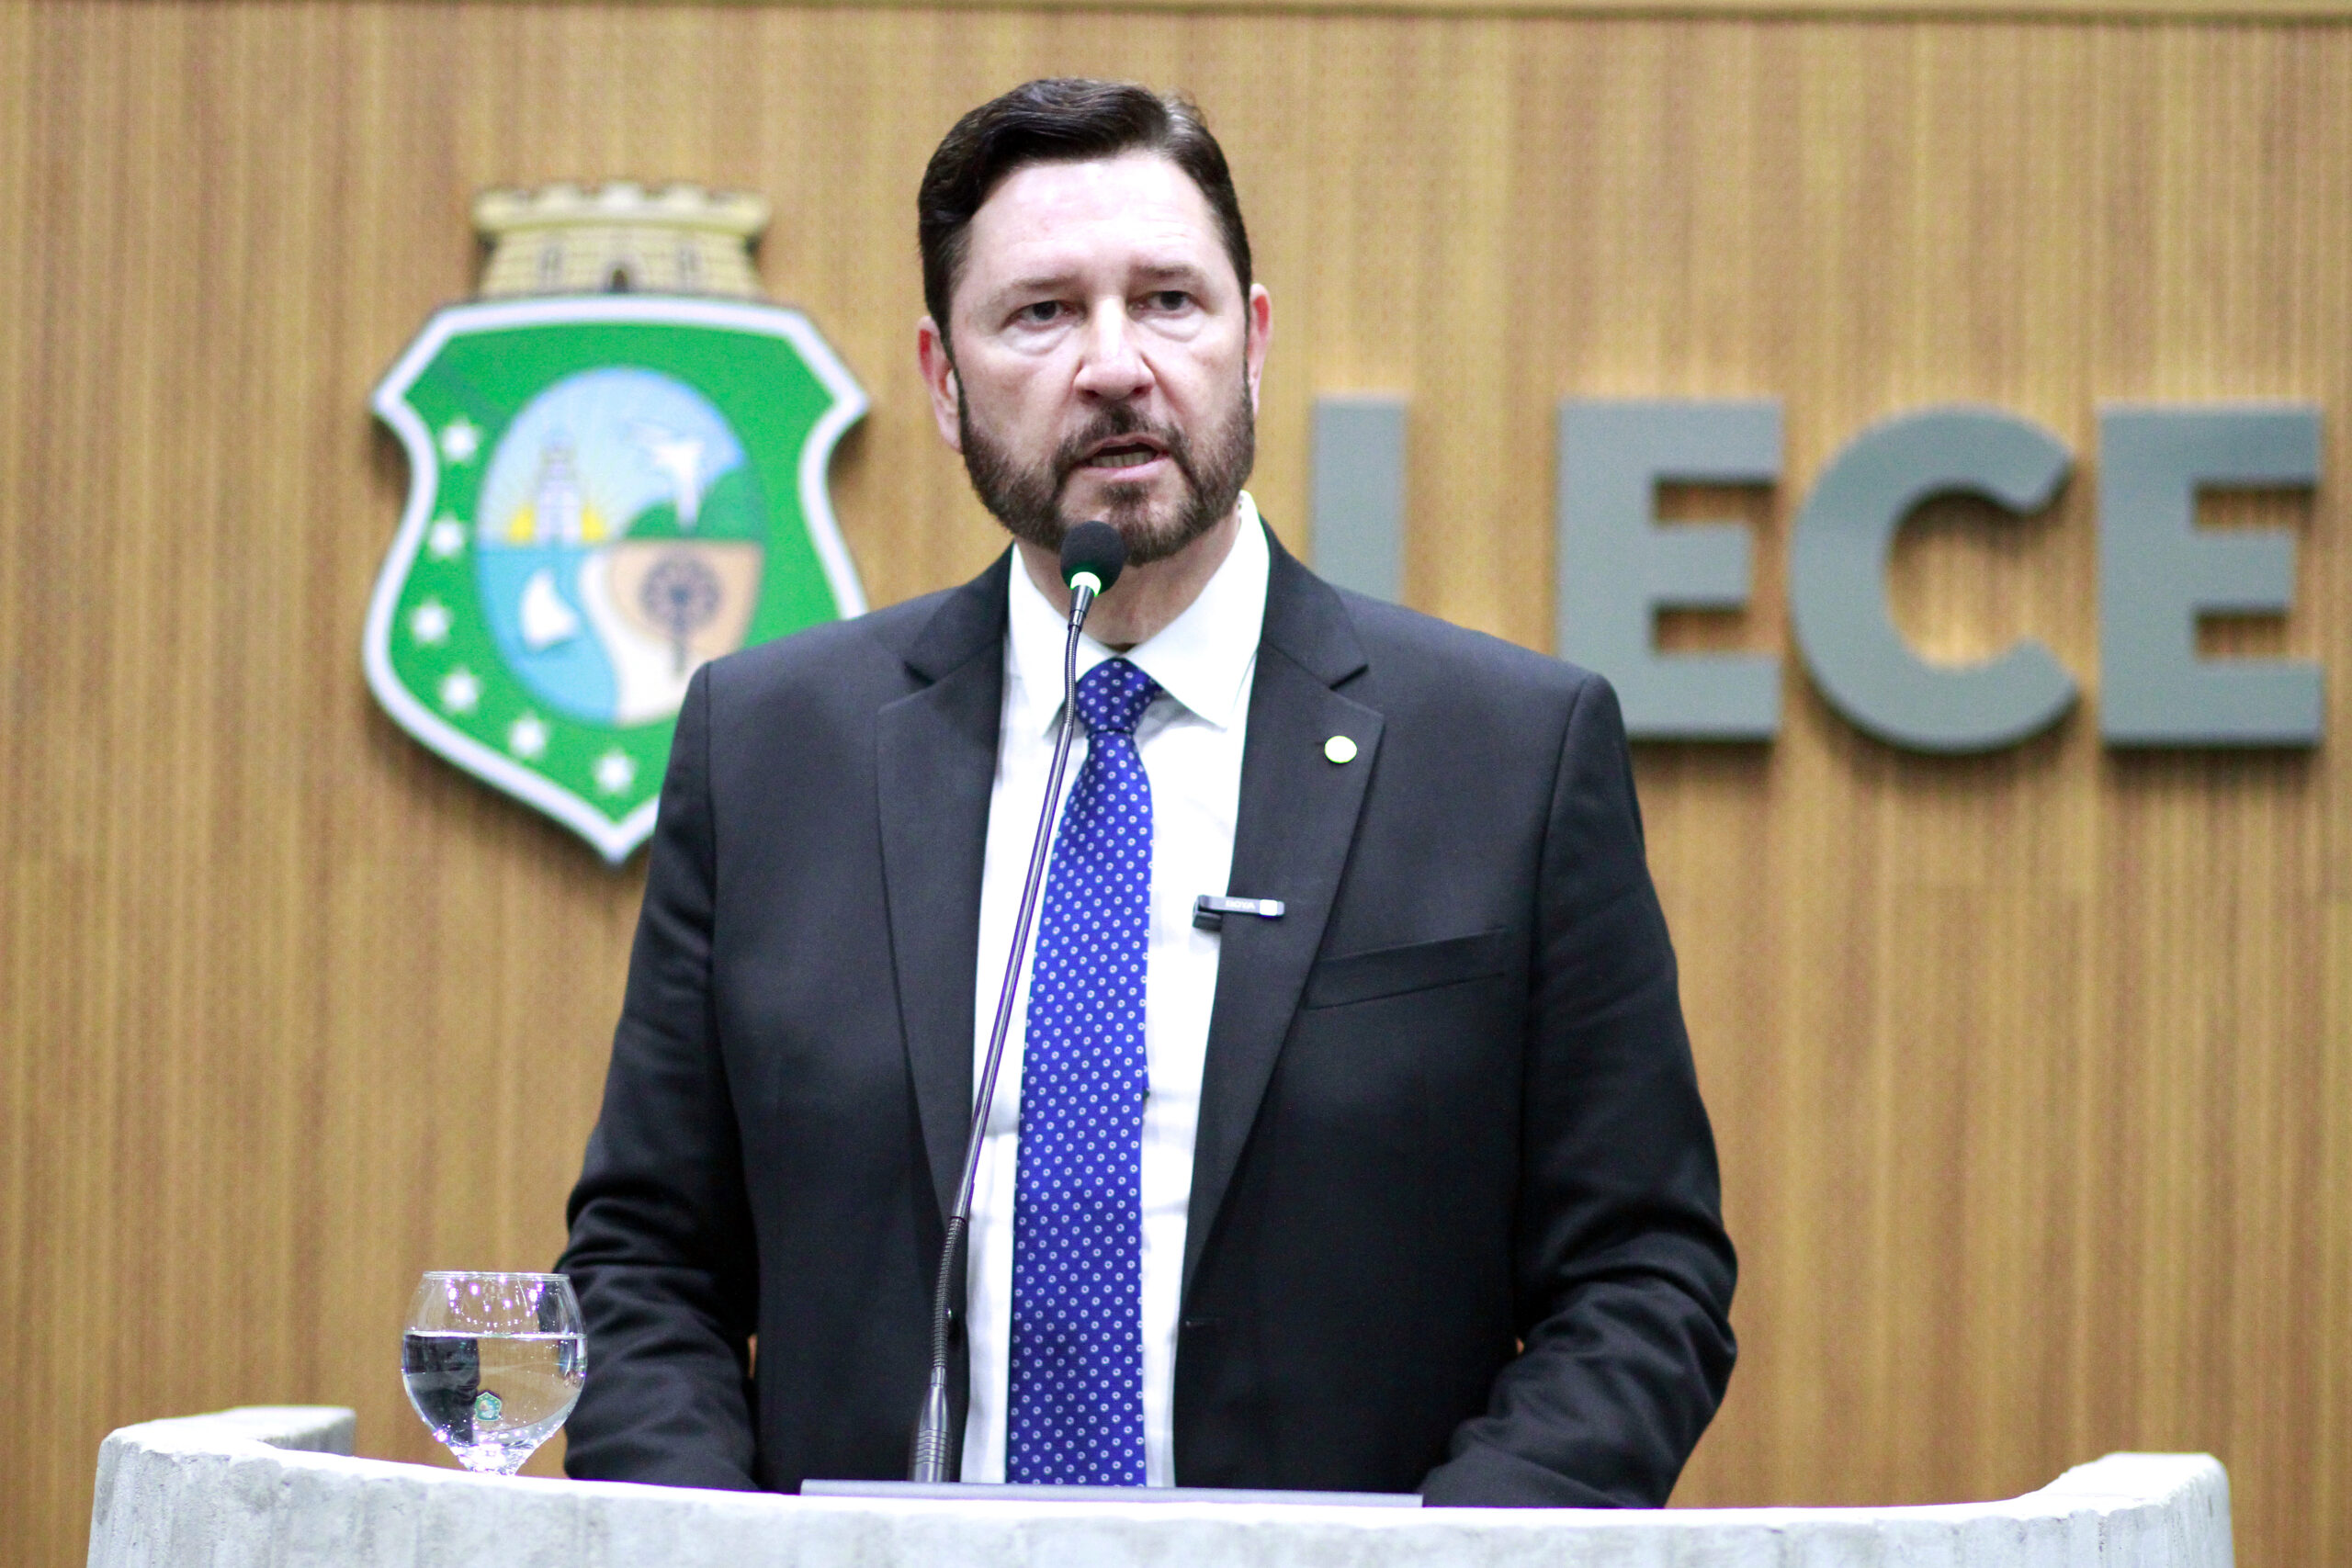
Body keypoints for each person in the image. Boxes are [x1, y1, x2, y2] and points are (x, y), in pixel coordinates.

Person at [559, 77, 1736, 1506]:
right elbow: (645, 1264)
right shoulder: (772, 750)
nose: (1115, 365)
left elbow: (1641, 1279)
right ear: (942, 381)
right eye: (1040, 314)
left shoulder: (1509, 755)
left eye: (1169, 302)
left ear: (1255, 340)